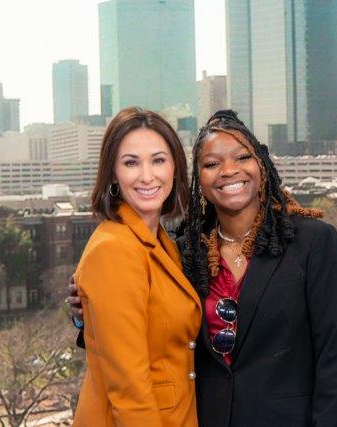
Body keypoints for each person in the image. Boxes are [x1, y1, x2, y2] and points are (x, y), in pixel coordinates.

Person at [69, 110, 337, 426]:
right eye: (211, 164)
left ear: (262, 164)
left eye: (242, 157)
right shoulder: (186, 252)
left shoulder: (311, 242)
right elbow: (143, 331)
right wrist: (87, 312)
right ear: (197, 178)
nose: (229, 171)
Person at [71, 107, 201, 427]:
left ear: (175, 167)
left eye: (158, 160)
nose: (146, 176)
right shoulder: (114, 250)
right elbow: (129, 392)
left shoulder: (161, 243)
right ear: (113, 173)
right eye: (131, 163)